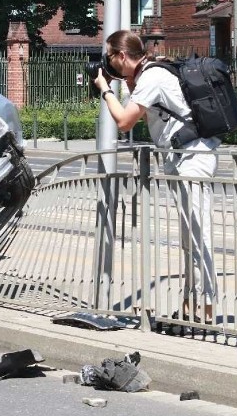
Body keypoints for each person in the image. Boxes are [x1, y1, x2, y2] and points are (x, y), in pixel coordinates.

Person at [93, 29, 219, 326]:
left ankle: (208, 309)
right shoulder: (148, 73)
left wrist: (105, 88)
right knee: (190, 237)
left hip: (193, 157)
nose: (109, 64)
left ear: (122, 55)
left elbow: (124, 121)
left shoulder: (152, 77)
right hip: (181, 157)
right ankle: (192, 307)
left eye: (110, 57)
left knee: (200, 234)